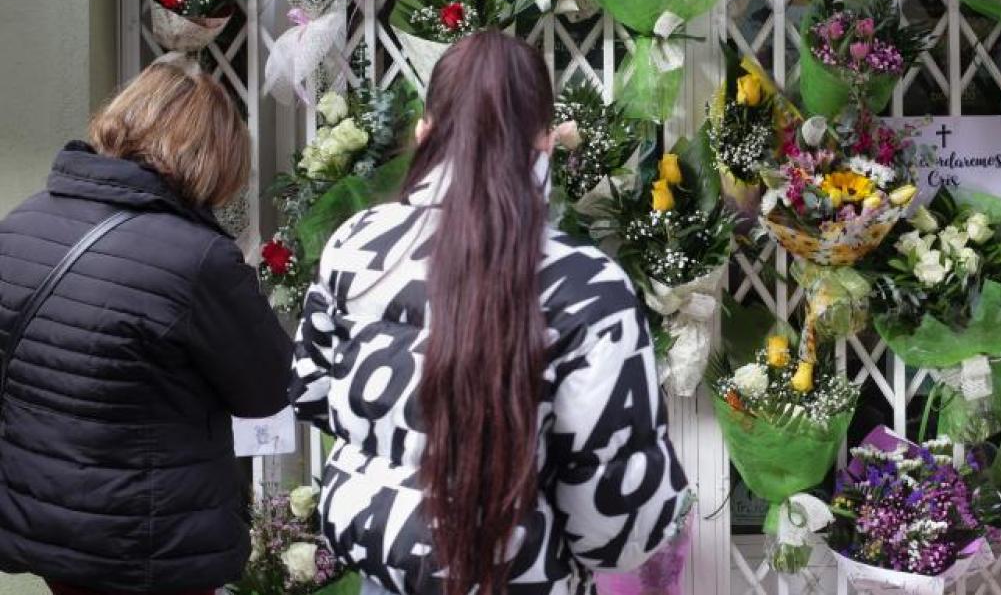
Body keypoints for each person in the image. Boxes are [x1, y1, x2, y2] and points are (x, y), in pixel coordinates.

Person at [290, 31, 690, 595]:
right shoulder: (589, 288)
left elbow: (311, 393)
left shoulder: (355, 244)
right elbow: (617, 527)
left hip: (385, 577)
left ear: (424, 131)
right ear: (545, 141)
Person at [0, 56, 293, 595]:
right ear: (212, 155)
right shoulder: (197, 258)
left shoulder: (21, 224)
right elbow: (266, 390)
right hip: (151, 539)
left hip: (49, 525)